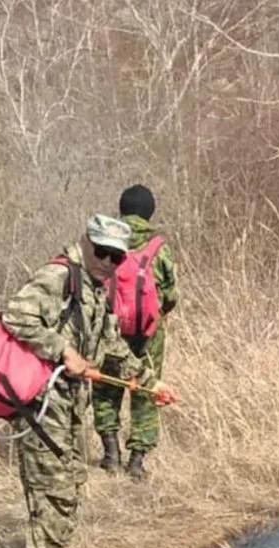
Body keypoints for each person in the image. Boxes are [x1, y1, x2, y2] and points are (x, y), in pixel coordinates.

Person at [1, 213, 158, 548]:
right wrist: (63, 350)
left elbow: (112, 343)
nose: (108, 262)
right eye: (102, 252)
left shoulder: (95, 286)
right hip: (42, 403)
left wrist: (149, 380)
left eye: (116, 257)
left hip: (71, 403)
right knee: (52, 487)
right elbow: (16, 316)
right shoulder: (58, 276)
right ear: (87, 242)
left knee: (70, 482)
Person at [93, 183, 179, 480]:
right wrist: (158, 317)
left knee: (106, 388)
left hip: (110, 330)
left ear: (122, 209)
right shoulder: (159, 247)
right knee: (146, 388)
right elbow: (171, 295)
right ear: (150, 212)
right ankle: (137, 462)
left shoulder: (106, 243)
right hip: (149, 332)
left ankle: (110, 454)